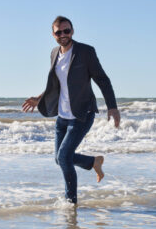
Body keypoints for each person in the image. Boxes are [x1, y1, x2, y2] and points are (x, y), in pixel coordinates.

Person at [23, 16, 120, 204]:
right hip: (62, 116)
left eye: (66, 31)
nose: (63, 35)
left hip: (82, 114)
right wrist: (39, 98)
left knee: (64, 156)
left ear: (72, 31)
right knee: (60, 159)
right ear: (53, 35)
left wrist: (112, 107)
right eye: (58, 32)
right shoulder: (54, 53)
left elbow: (102, 79)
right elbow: (56, 84)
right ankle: (93, 162)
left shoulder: (85, 52)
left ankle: (70, 204)